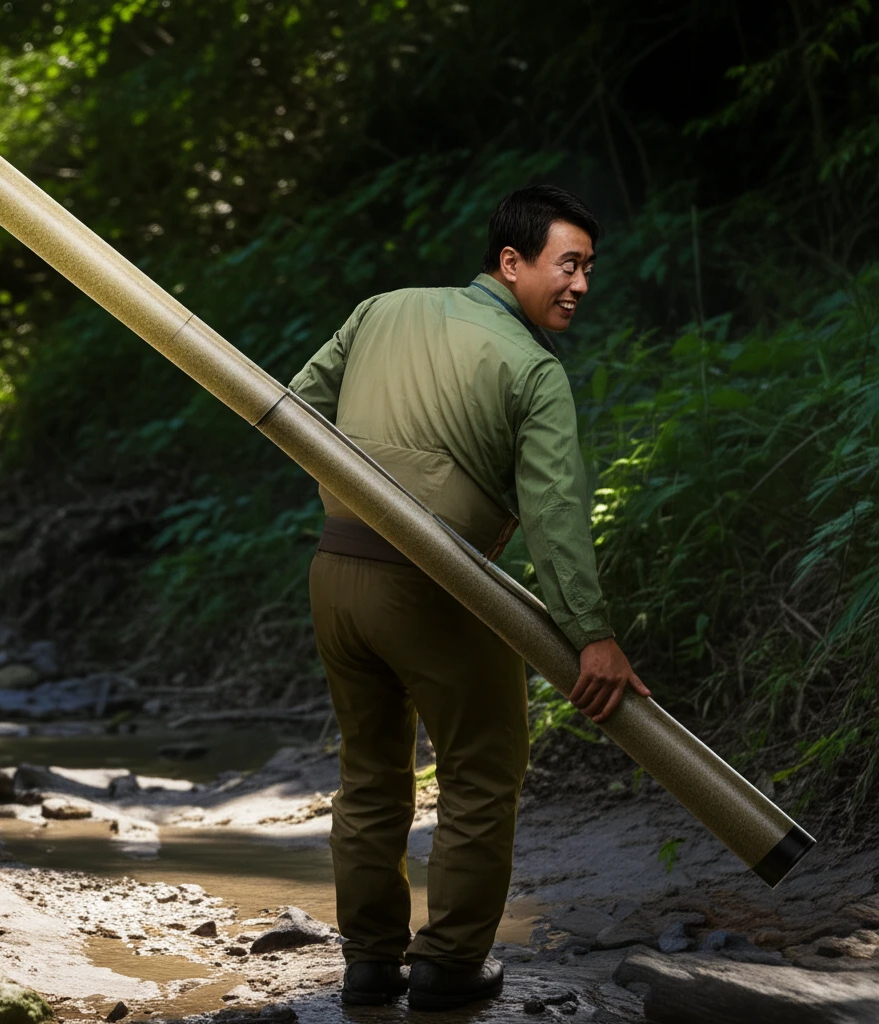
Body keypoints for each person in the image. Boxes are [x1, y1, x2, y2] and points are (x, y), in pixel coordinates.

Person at [287, 185, 650, 1011]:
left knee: (370, 774)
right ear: (512, 261)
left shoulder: (381, 308)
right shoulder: (531, 370)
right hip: (441, 590)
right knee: (482, 772)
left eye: (589, 268)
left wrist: (364, 489)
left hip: (335, 578)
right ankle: (448, 967)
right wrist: (592, 635)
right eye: (569, 263)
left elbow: (293, 407)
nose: (581, 284)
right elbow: (556, 516)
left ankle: (370, 964)